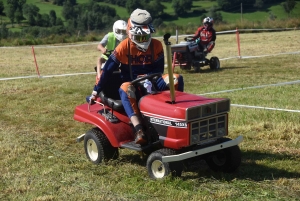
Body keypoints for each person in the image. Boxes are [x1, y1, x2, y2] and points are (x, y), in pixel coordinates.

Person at [87, 8, 184, 145]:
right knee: (125, 87)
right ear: (131, 33)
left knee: (176, 78)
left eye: (145, 37)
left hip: (152, 82)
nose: (143, 40)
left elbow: (159, 69)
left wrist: (150, 79)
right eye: (139, 37)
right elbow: (108, 70)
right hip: (133, 86)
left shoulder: (156, 45)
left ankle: (177, 116)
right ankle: (138, 129)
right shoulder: (123, 47)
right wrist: (96, 90)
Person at [95, 20, 127, 84]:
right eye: (119, 31)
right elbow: (99, 46)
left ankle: (123, 79)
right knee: (99, 59)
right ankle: (99, 76)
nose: (121, 33)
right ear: (115, 29)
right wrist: (103, 49)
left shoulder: (127, 39)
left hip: (120, 59)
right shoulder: (109, 36)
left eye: (123, 31)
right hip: (107, 57)